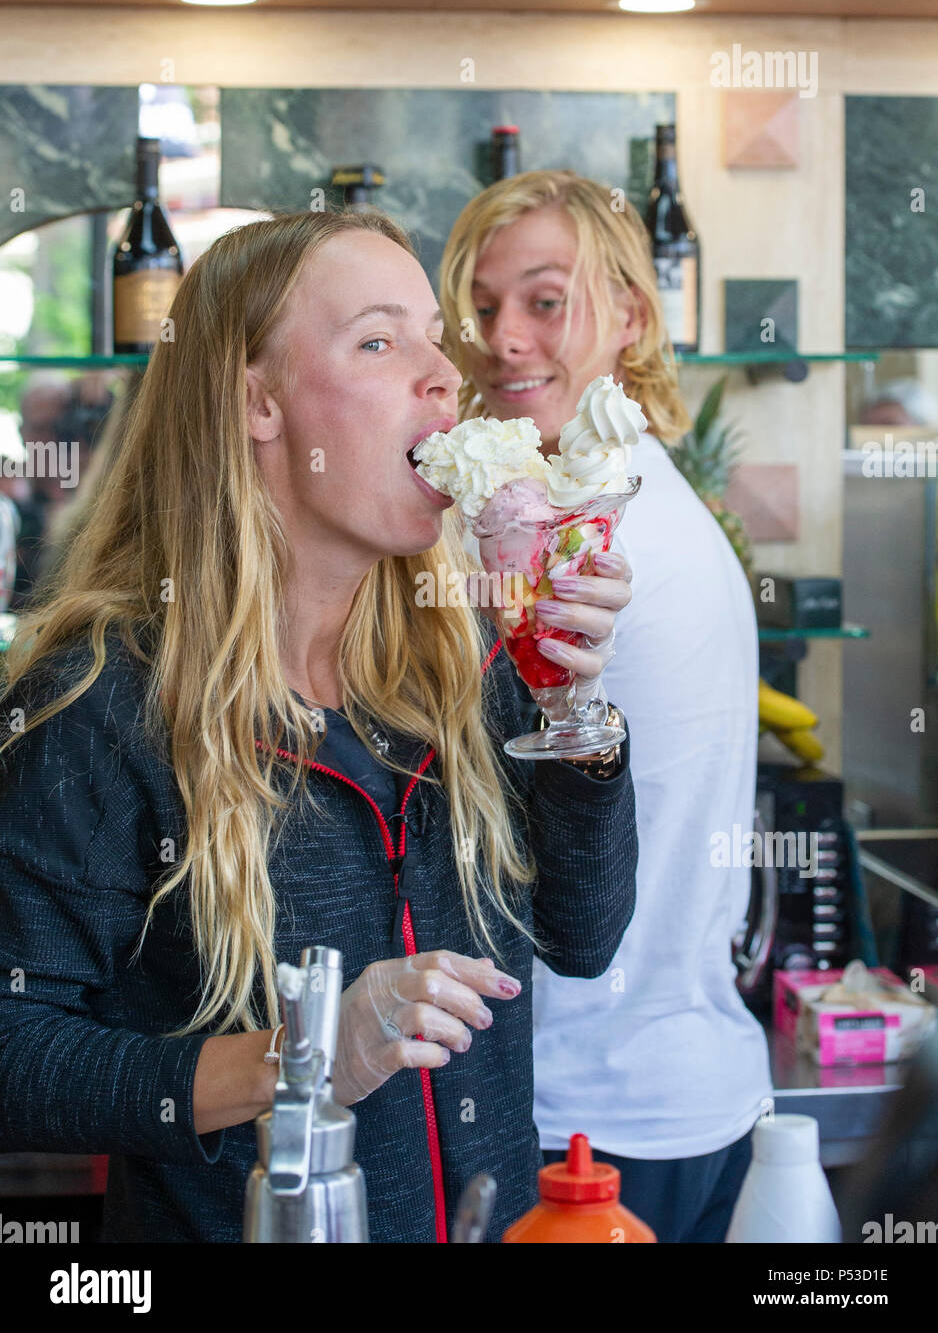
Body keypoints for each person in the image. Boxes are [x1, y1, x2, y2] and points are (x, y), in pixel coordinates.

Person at [0, 207, 638, 1245]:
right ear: (257, 402)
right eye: (379, 341)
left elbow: (583, 932)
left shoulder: (467, 651)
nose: (444, 374)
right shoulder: (102, 698)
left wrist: (574, 707)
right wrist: (300, 1055)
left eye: (435, 335)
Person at [438, 170, 773, 1243]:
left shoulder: (580, 532)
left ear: (630, 315)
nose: (502, 338)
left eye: (545, 301)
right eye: (482, 306)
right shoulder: (627, 490)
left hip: (588, 1109)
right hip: (675, 1083)